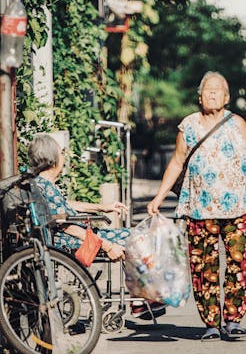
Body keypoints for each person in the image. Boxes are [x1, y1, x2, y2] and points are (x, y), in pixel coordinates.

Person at [147, 71, 246, 341]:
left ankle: (234, 320)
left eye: (217, 90)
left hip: (237, 208)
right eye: (207, 90)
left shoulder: (237, 124)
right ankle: (211, 323)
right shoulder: (188, 126)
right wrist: (159, 197)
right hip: (198, 209)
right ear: (199, 96)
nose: (211, 94)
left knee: (239, 264)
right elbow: (177, 162)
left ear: (226, 97)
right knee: (203, 267)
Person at [28, 134, 166, 320]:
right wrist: (107, 246)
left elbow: (66, 206)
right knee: (137, 238)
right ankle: (141, 300)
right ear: (52, 158)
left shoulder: (42, 184)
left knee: (135, 234)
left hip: (73, 235)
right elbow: (65, 225)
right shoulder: (45, 186)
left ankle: (141, 298)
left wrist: (103, 207)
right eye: (61, 153)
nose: (64, 157)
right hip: (71, 239)